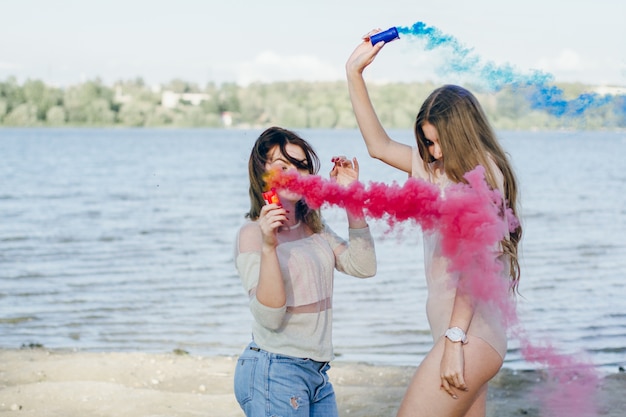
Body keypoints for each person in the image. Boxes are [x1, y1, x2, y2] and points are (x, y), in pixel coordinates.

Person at [345, 31, 522, 417]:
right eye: (427, 143)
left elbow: (474, 267)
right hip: (462, 333)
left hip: (469, 334)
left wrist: (454, 342)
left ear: (462, 133)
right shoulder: (436, 172)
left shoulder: (479, 177)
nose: (433, 152)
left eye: (440, 142)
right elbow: (378, 145)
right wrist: (354, 72)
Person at [233, 126, 377, 417]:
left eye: (301, 166)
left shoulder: (315, 228)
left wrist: (350, 199)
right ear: (262, 171)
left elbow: (364, 267)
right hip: (275, 369)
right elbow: (270, 318)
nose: (295, 174)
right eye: (283, 165)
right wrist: (269, 245)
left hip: (318, 373)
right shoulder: (251, 234)